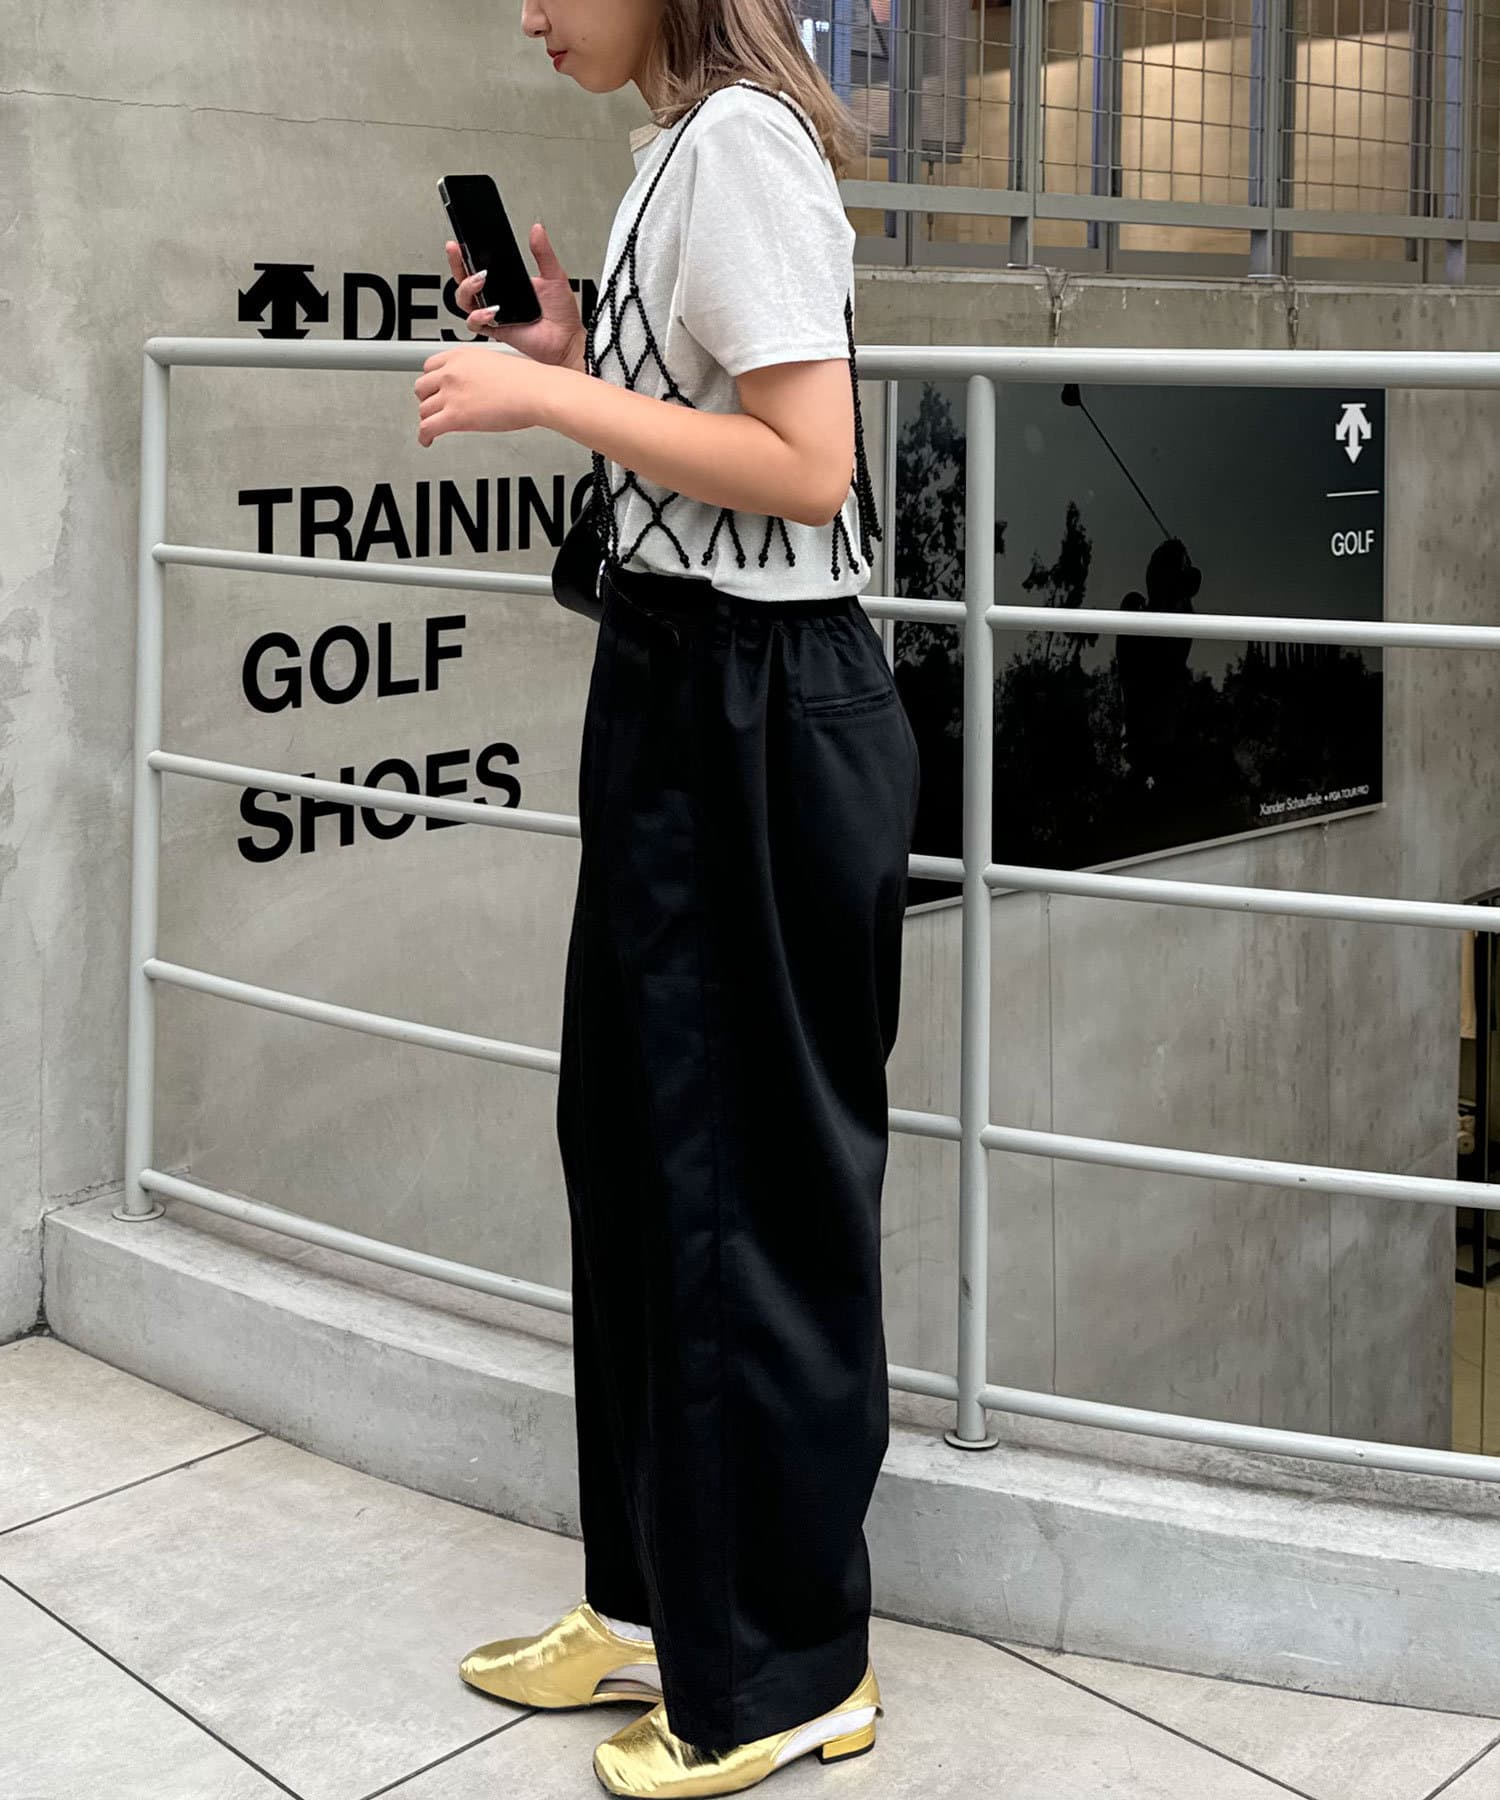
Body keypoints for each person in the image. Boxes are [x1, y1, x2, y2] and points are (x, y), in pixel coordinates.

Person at [413, 4, 919, 1793]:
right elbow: (709, 434)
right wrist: (578, 353)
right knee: (635, 1162)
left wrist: (551, 394)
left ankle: (786, 1670)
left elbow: (809, 465)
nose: (530, 12)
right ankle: (658, 1606)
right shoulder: (677, 151)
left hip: (757, 711)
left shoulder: (744, 149)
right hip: (682, 685)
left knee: (741, 1193)